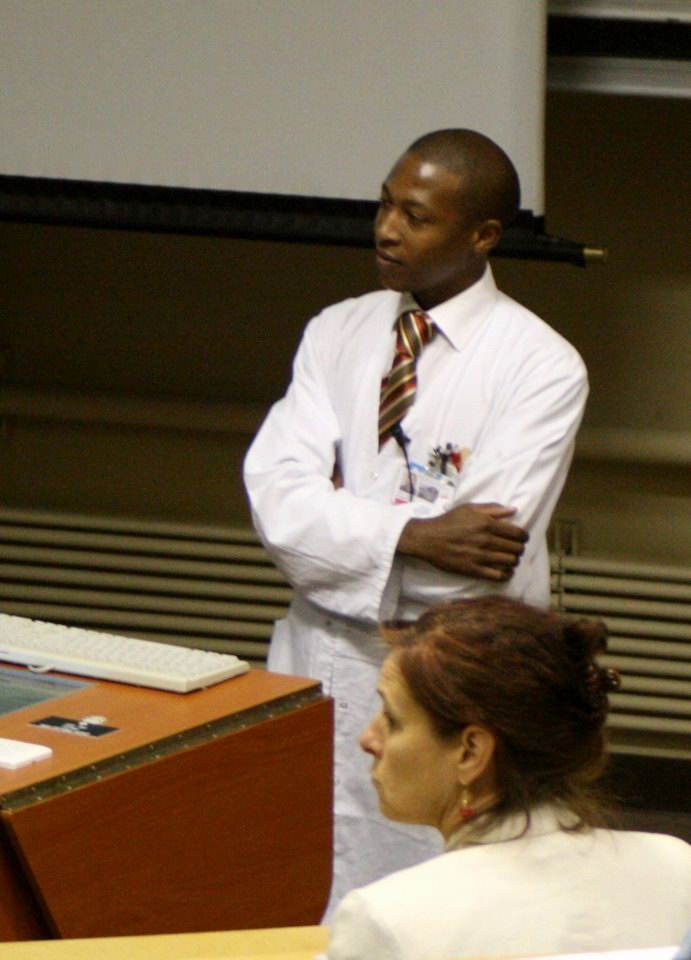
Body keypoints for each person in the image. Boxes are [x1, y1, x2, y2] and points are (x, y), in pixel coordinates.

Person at [243, 129, 589, 914]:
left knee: (438, 897)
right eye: (383, 205)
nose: (386, 229)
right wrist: (410, 533)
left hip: (451, 682)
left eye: (415, 216)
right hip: (321, 659)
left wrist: (340, 521)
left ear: (482, 235)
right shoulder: (337, 330)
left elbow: (474, 566)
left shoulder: (540, 366)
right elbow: (277, 503)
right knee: (302, 886)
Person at [328, 596, 691, 960]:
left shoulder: (387, 921)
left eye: (392, 720)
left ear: (471, 753)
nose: (368, 739)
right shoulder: (678, 869)